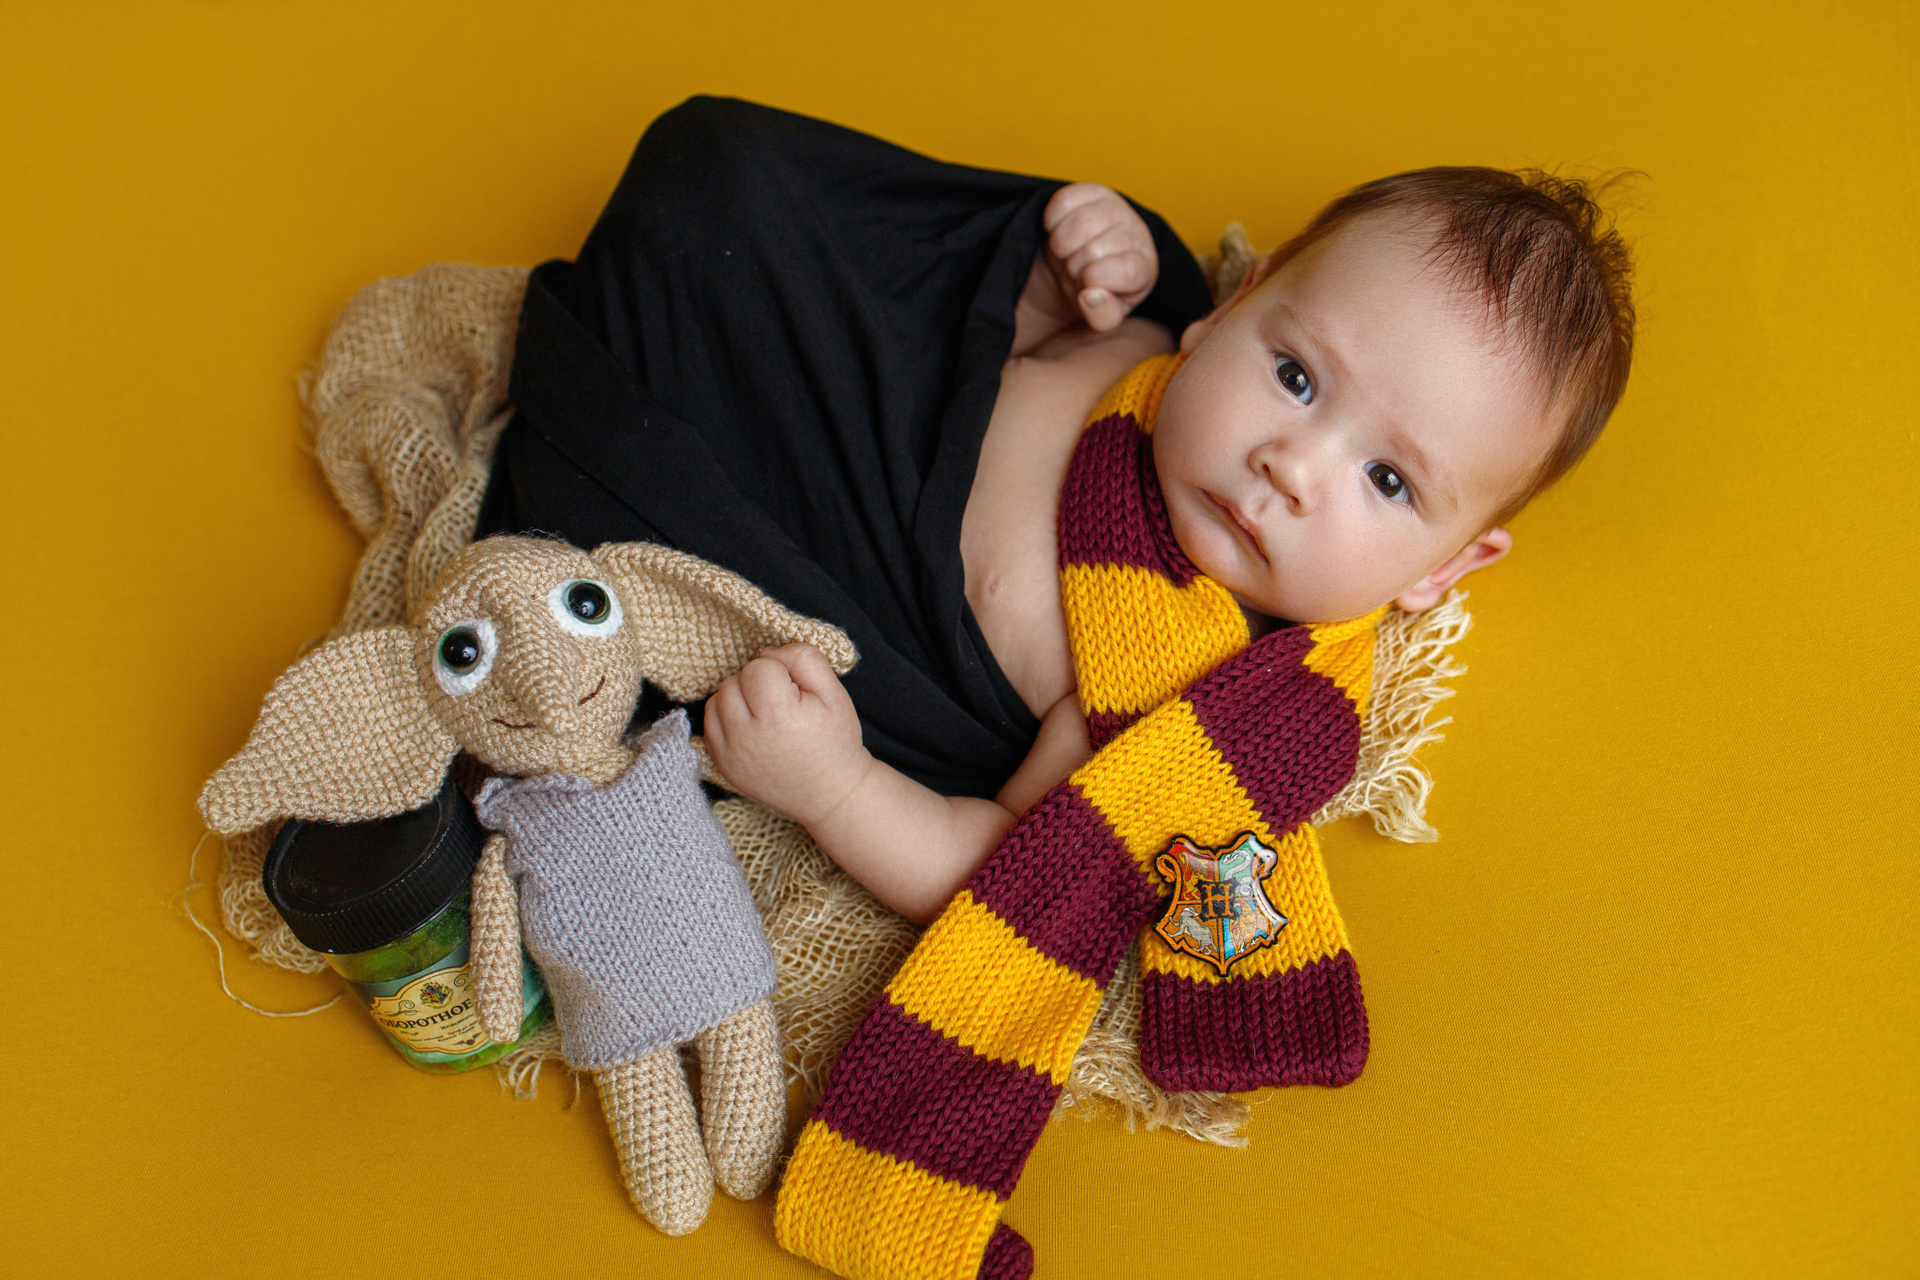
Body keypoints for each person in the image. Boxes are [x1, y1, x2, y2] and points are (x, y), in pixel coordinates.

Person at [479, 96, 1634, 924]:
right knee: (712, 162)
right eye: (1294, 374)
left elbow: (1001, 867)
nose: (1293, 465)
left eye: (1388, 480)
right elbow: (968, 332)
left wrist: (834, 786)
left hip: (771, 519)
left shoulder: (1166, 685)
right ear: (1233, 305)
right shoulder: (1143, 345)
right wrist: (1063, 279)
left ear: (1443, 567)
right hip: (840, 378)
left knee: (581, 553)